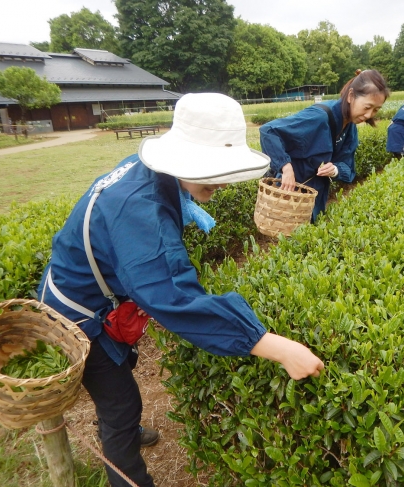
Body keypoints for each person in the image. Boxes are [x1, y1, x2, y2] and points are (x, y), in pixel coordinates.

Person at [37, 93, 325, 487]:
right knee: (121, 404)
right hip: (77, 313)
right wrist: (276, 347)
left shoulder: (149, 173)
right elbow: (173, 297)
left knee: (121, 375)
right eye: (213, 171)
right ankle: (127, 471)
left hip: (93, 293)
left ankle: (119, 429)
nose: (222, 183)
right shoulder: (140, 211)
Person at [259, 69, 389, 222]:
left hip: (315, 197)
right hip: (290, 194)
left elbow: (348, 168)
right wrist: (286, 168)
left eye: (376, 110)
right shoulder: (318, 117)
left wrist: (335, 170)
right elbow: (268, 131)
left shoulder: (351, 129)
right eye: (367, 107)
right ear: (351, 96)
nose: (369, 115)